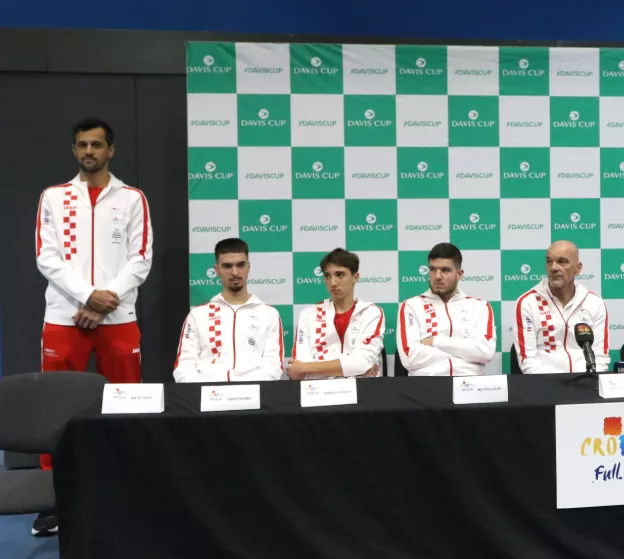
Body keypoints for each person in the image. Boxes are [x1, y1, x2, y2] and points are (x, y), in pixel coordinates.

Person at [32, 118, 153, 537]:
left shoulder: (133, 198)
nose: (90, 151)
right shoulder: (54, 197)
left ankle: (128, 492)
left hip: (118, 318)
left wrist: (104, 302)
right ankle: (56, 499)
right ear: (73, 150)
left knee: (126, 404)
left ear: (111, 150)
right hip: (64, 317)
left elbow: (140, 259)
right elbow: (47, 258)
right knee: (56, 411)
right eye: (82, 144)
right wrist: (87, 297)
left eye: (97, 145)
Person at [173, 238, 284, 383]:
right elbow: (184, 366)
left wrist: (248, 391)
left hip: (254, 397)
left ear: (249, 267)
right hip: (208, 396)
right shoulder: (198, 315)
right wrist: (204, 392)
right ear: (216, 269)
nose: (235, 272)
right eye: (227, 266)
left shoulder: (269, 314)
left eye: (241, 265)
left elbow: (273, 366)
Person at [397, 243, 496, 376]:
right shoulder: (411, 305)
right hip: (426, 387)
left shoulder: (480, 306)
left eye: (445, 270)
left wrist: (435, 341)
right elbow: (410, 357)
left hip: (470, 387)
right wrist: (467, 353)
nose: (437, 276)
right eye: (432, 269)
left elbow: (485, 352)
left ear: (459, 274)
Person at [287, 248, 384, 379]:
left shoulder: (371, 313)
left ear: (355, 277)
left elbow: (363, 362)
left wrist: (307, 367)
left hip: (362, 394)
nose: (333, 283)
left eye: (340, 275)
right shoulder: (309, 315)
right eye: (328, 276)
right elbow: (299, 372)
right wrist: (354, 370)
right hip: (318, 394)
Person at [514, 240, 609, 374]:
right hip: (545, 386)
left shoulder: (594, 302)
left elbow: (600, 357)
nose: (553, 267)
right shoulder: (528, 302)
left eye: (562, 261)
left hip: (586, 383)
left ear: (578, 268)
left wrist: (591, 381)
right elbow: (528, 360)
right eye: (549, 261)